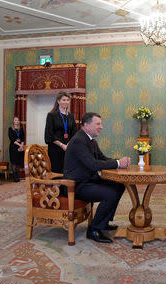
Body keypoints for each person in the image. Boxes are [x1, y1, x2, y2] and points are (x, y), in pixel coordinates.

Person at [63, 112, 131, 243]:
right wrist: (118, 163)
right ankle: (93, 230)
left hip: (89, 180)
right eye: (98, 124)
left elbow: (103, 159)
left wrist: (120, 162)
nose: (101, 127)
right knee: (110, 193)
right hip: (76, 185)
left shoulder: (91, 141)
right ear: (86, 125)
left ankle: (103, 223)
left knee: (118, 185)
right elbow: (93, 165)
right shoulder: (78, 141)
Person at [44, 92, 78, 173]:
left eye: (67, 100)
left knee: (67, 172)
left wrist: (68, 145)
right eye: (63, 100)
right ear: (58, 101)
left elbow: (74, 132)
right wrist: (62, 145)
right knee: (56, 173)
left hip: (68, 149)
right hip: (55, 149)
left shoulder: (70, 116)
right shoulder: (51, 115)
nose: (66, 102)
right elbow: (49, 134)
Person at [8, 116, 25, 182]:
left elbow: (23, 138)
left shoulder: (21, 129)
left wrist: (22, 145)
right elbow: (12, 139)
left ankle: (18, 176)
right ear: (13, 121)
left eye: (18, 120)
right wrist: (20, 145)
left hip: (20, 147)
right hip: (13, 147)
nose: (17, 121)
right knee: (14, 162)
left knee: (18, 162)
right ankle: (15, 177)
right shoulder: (10, 129)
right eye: (15, 120)